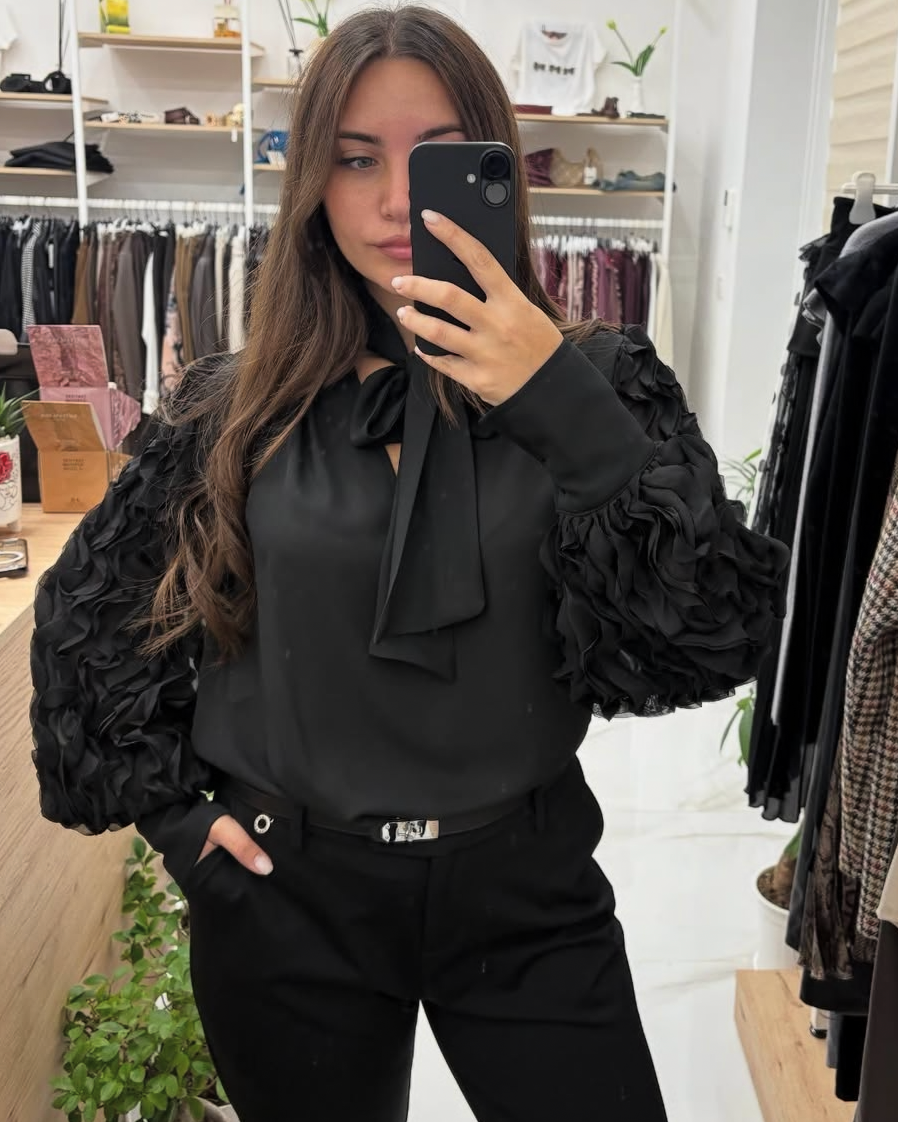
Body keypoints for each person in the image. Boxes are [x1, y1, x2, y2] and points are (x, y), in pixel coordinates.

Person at [30, 7, 790, 1121]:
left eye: (434, 160)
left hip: (526, 891)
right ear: (311, 186)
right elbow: (91, 621)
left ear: (497, 171)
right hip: (289, 901)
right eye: (354, 160)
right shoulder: (236, 410)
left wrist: (560, 407)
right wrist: (183, 831)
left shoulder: (601, 384)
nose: (395, 201)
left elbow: (706, 630)